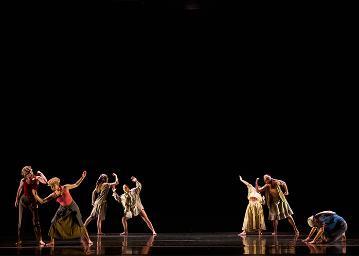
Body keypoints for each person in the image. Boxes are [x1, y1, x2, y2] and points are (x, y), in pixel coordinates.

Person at [32, 171, 93, 246]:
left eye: (53, 186)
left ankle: (88, 239)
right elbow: (42, 201)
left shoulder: (65, 187)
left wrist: (82, 177)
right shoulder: (53, 195)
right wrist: (35, 195)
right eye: (51, 187)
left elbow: (76, 184)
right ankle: (52, 242)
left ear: (57, 185)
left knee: (80, 222)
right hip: (63, 208)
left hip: (72, 206)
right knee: (53, 222)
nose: (52, 188)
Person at [15, 166, 47, 246]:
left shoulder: (36, 178)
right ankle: (19, 240)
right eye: (27, 174)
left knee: (36, 221)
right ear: (25, 174)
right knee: (21, 221)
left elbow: (45, 182)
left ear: (31, 172)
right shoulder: (23, 180)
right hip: (23, 200)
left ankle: (40, 240)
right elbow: (19, 190)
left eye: (30, 172)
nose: (29, 174)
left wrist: (41, 173)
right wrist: (16, 200)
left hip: (33, 201)